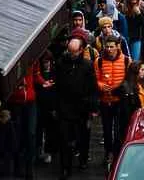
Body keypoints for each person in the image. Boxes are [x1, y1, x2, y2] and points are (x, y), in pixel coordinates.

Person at [54, 37, 97, 179]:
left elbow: (92, 87)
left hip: (82, 108)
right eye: (70, 52)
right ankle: (65, 168)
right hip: (65, 108)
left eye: (74, 52)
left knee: (83, 136)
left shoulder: (87, 65)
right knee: (64, 139)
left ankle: (82, 159)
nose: (72, 55)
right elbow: (57, 86)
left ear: (80, 51)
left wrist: (92, 108)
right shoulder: (61, 63)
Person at [93, 35, 129, 167]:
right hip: (105, 100)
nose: (109, 49)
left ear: (117, 46)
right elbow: (95, 79)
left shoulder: (126, 60)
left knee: (119, 129)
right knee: (107, 130)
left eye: (111, 47)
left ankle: (118, 154)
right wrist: (100, 85)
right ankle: (108, 153)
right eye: (107, 47)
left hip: (120, 100)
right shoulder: (99, 61)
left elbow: (129, 79)